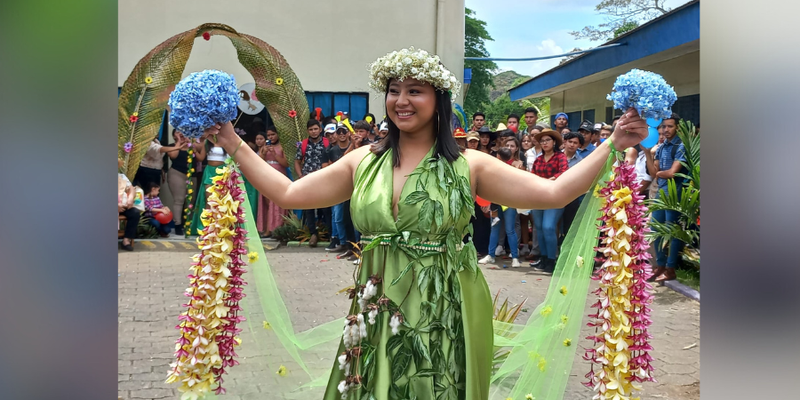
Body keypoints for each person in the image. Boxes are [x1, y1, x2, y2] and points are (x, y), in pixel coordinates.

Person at [201, 47, 647, 400]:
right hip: (379, 301)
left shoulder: (471, 164)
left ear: (439, 100)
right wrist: (234, 143)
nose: (401, 100)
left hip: (449, 301)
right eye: (394, 90)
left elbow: (554, 193)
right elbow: (290, 194)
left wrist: (613, 143)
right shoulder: (363, 160)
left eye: (416, 90)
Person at [650, 113, 686, 282]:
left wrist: (659, 173)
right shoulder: (662, 146)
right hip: (661, 191)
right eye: (664, 126)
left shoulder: (681, 145)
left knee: (672, 231)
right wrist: (646, 152)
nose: (666, 130)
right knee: (655, 229)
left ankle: (671, 268)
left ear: (677, 127)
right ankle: (660, 265)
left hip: (676, 193)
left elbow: (672, 173)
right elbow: (654, 173)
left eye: (670, 126)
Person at [530, 128, 568, 273]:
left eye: (547, 140)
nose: (544, 143)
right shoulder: (538, 159)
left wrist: (548, 180)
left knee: (548, 227)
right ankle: (544, 258)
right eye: (542, 141)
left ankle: (552, 260)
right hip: (538, 196)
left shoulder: (560, 157)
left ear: (554, 142)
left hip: (555, 196)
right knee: (539, 228)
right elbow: (532, 176)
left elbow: (564, 172)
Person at [479, 147, 522, 268]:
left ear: (498, 156)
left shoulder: (512, 168)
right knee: (498, 229)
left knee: (508, 230)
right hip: (496, 203)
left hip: (508, 203)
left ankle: (514, 257)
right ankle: (491, 255)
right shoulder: (494, 169)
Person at [294, 119, 331, 247]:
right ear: (307, 131)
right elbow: (297, 161)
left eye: (316, 129)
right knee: (309, 208)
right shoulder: (303, 144)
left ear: (320, 130)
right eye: (311, 129)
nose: (313, 132)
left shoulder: (327, 143)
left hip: (323, 180)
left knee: (326, 207)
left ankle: (330, 234)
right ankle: (313, 234)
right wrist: (300, 175)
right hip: (307, 180)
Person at [256, 126, 290, 238]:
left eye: (273, 135)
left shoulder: (282, 147)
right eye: (269, 135)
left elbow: (285, 163)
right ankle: (267, 229)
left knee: (277, 202)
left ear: (278, 135)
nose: (271, 137)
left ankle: (277, 229)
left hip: (279, 175)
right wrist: (264, 153)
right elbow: (258, 162)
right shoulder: (264, 147)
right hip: (266, 176)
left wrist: (274, 154)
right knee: (267, 203)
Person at [324, 124, 352, 253]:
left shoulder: (355, 147)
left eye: (343, 132)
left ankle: (353, 245)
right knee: (338, 217)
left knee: (351, 219)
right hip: (338, 187)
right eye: (339, 132)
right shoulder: (332, 151)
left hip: (352, 187)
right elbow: (329, 169)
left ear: (348, 133)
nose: (341, 134)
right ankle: (342, 242)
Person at [165, 130, 198, 235]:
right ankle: (178, 224)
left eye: (183, 132)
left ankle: (188, 224)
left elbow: (200, 157)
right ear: (174, 135)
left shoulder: (192, 146)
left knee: (191, 200)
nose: (182, 134)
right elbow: (173, 156)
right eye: (178, 132)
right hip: (177, 174)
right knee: (179, 200)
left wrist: (191, 143)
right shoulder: (172, 146)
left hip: (192, 175)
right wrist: (178, 141)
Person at [118, 158, 140, 251]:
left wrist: (130, 198)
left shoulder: (121, 176)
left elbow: (131, 188)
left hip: (123, 206)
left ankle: (126, 240)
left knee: (135, 213)